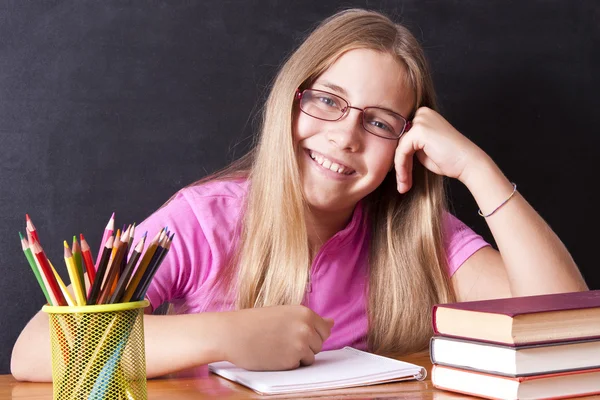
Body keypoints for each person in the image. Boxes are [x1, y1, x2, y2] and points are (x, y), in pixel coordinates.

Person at [11, 8, 587, 381]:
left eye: (380, 123)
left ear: (404, 145)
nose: (345, 136)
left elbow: (564, 326)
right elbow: (34, 349)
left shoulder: (416, 235)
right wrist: (226, 335)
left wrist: (476, 169)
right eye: (328, 101)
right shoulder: (206, 221)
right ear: (291, 100)